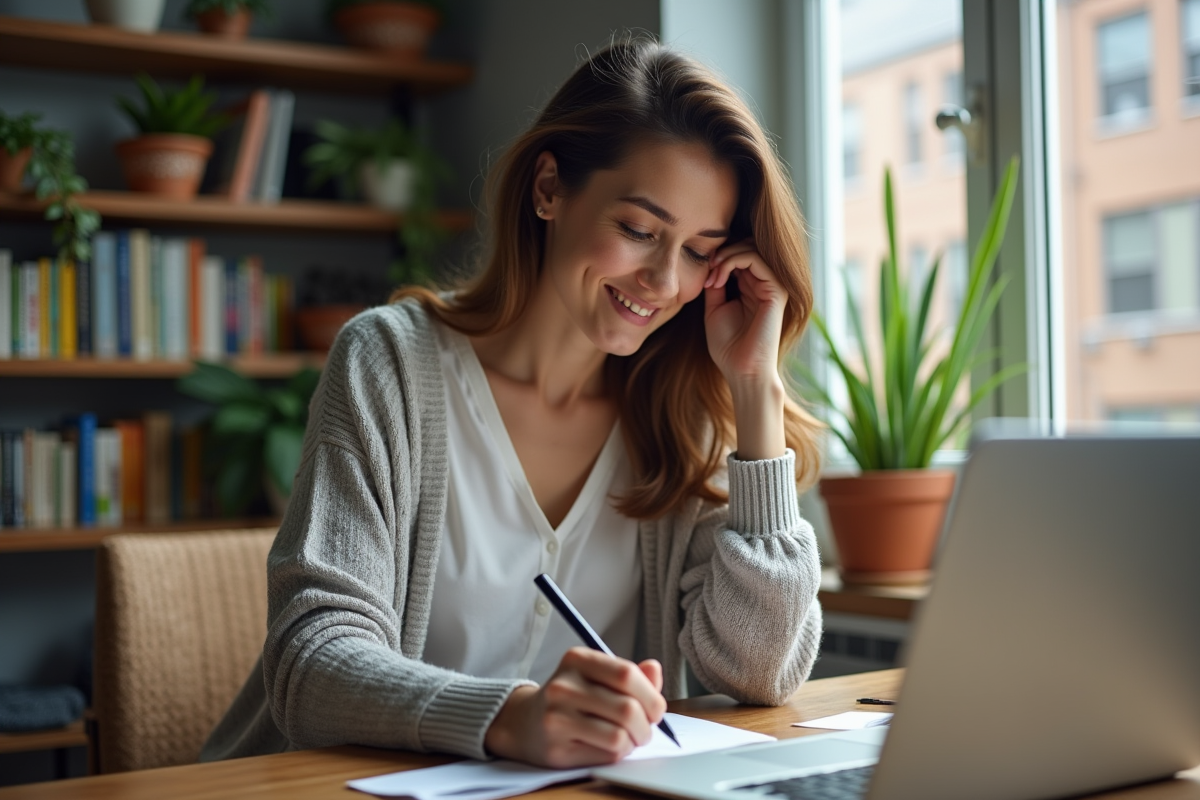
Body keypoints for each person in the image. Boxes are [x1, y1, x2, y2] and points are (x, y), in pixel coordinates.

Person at [201, 37, 824, 770]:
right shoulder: (389, 364)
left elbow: (761, 674)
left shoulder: (683, 407)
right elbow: (311, 664)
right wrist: (508, 715)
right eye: (638, 230)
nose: (664, 280)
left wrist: (755, 393)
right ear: (549, 189)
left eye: (698, 251)